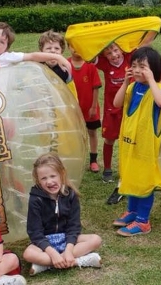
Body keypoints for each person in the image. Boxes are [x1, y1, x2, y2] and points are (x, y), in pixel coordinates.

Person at [111, 46, 161, 237]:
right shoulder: (132, 87)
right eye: (134, 65)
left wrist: (152, 79)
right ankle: (132, 211)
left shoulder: (157, 89)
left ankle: (143, 221)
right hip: (129, 144)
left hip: (146, 147)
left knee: (144, 182)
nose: (136, 70)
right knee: (130, 176)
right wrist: (125, 82)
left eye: (142, 66)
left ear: (153, 69)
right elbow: (116, 104)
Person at [23, 153, 103, 276]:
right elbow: (35, 232)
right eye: (43, 178)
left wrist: (69, 250)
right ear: (38, 180)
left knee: (95, 239)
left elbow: (74, 226)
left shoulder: (70, 195)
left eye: (53, 176)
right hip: (46, 242)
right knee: (28, 254)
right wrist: (52, 253)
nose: (49, 182)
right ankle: (77, 261)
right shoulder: (35, 199)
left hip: (66, 238)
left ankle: (47, 265)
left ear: (62, 174)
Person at [91, 40, 151, 204]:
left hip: (130, 109)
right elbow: (89, 56)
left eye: (116, 51)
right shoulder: (104, 63)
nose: (114, 55)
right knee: (109, 139)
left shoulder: (129, 57)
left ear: (121, 50)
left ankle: (134, 170)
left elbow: (145, 43)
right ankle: (108, 169)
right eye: (109, 53)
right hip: (112, 110)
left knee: (133, 141)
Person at [66, 41, 103, 173]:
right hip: (72, 109)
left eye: (79, 45)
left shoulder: (90, 66)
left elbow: (95, 88)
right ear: (68, 47)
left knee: (92, 133)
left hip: (89, 109)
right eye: (73, 46)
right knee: (75, 135)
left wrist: (93, 107)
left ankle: (93, 160)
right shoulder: (65, 64)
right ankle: (77, 159)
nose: (76, 49)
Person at [37, 30, 79, 100]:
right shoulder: (37, 68)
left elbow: (72, 95)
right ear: (42, 51)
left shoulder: (65, 71)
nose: (53, 50)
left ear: (61, 51)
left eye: (56, 48)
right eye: (48, 48)